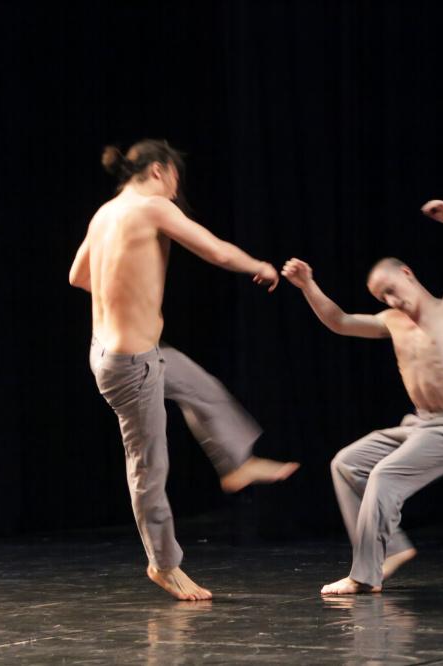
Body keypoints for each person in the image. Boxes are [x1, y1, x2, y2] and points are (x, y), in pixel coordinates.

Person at [69, 139, 298, 601]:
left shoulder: (104, 214)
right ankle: (163, 564)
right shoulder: (152, 207)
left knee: (203, 388)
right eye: (175, 177)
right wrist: (260, 266)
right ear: (158, 170)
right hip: (131, 364)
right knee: (149, 466)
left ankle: (237, 464)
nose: (177, 189)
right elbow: (216, 251)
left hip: (125, 353)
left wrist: (124, 286)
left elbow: (78, 276)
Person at [281, 199, 443, 595]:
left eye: (390, 291)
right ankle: (393, 549)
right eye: (382, 298)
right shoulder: (392, 322)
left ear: (407, 273)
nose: (390, 301)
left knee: (384, 475)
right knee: (346, 464)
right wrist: (308, 286)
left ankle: (364, 575)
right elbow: (340, 322)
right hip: (417, 425)